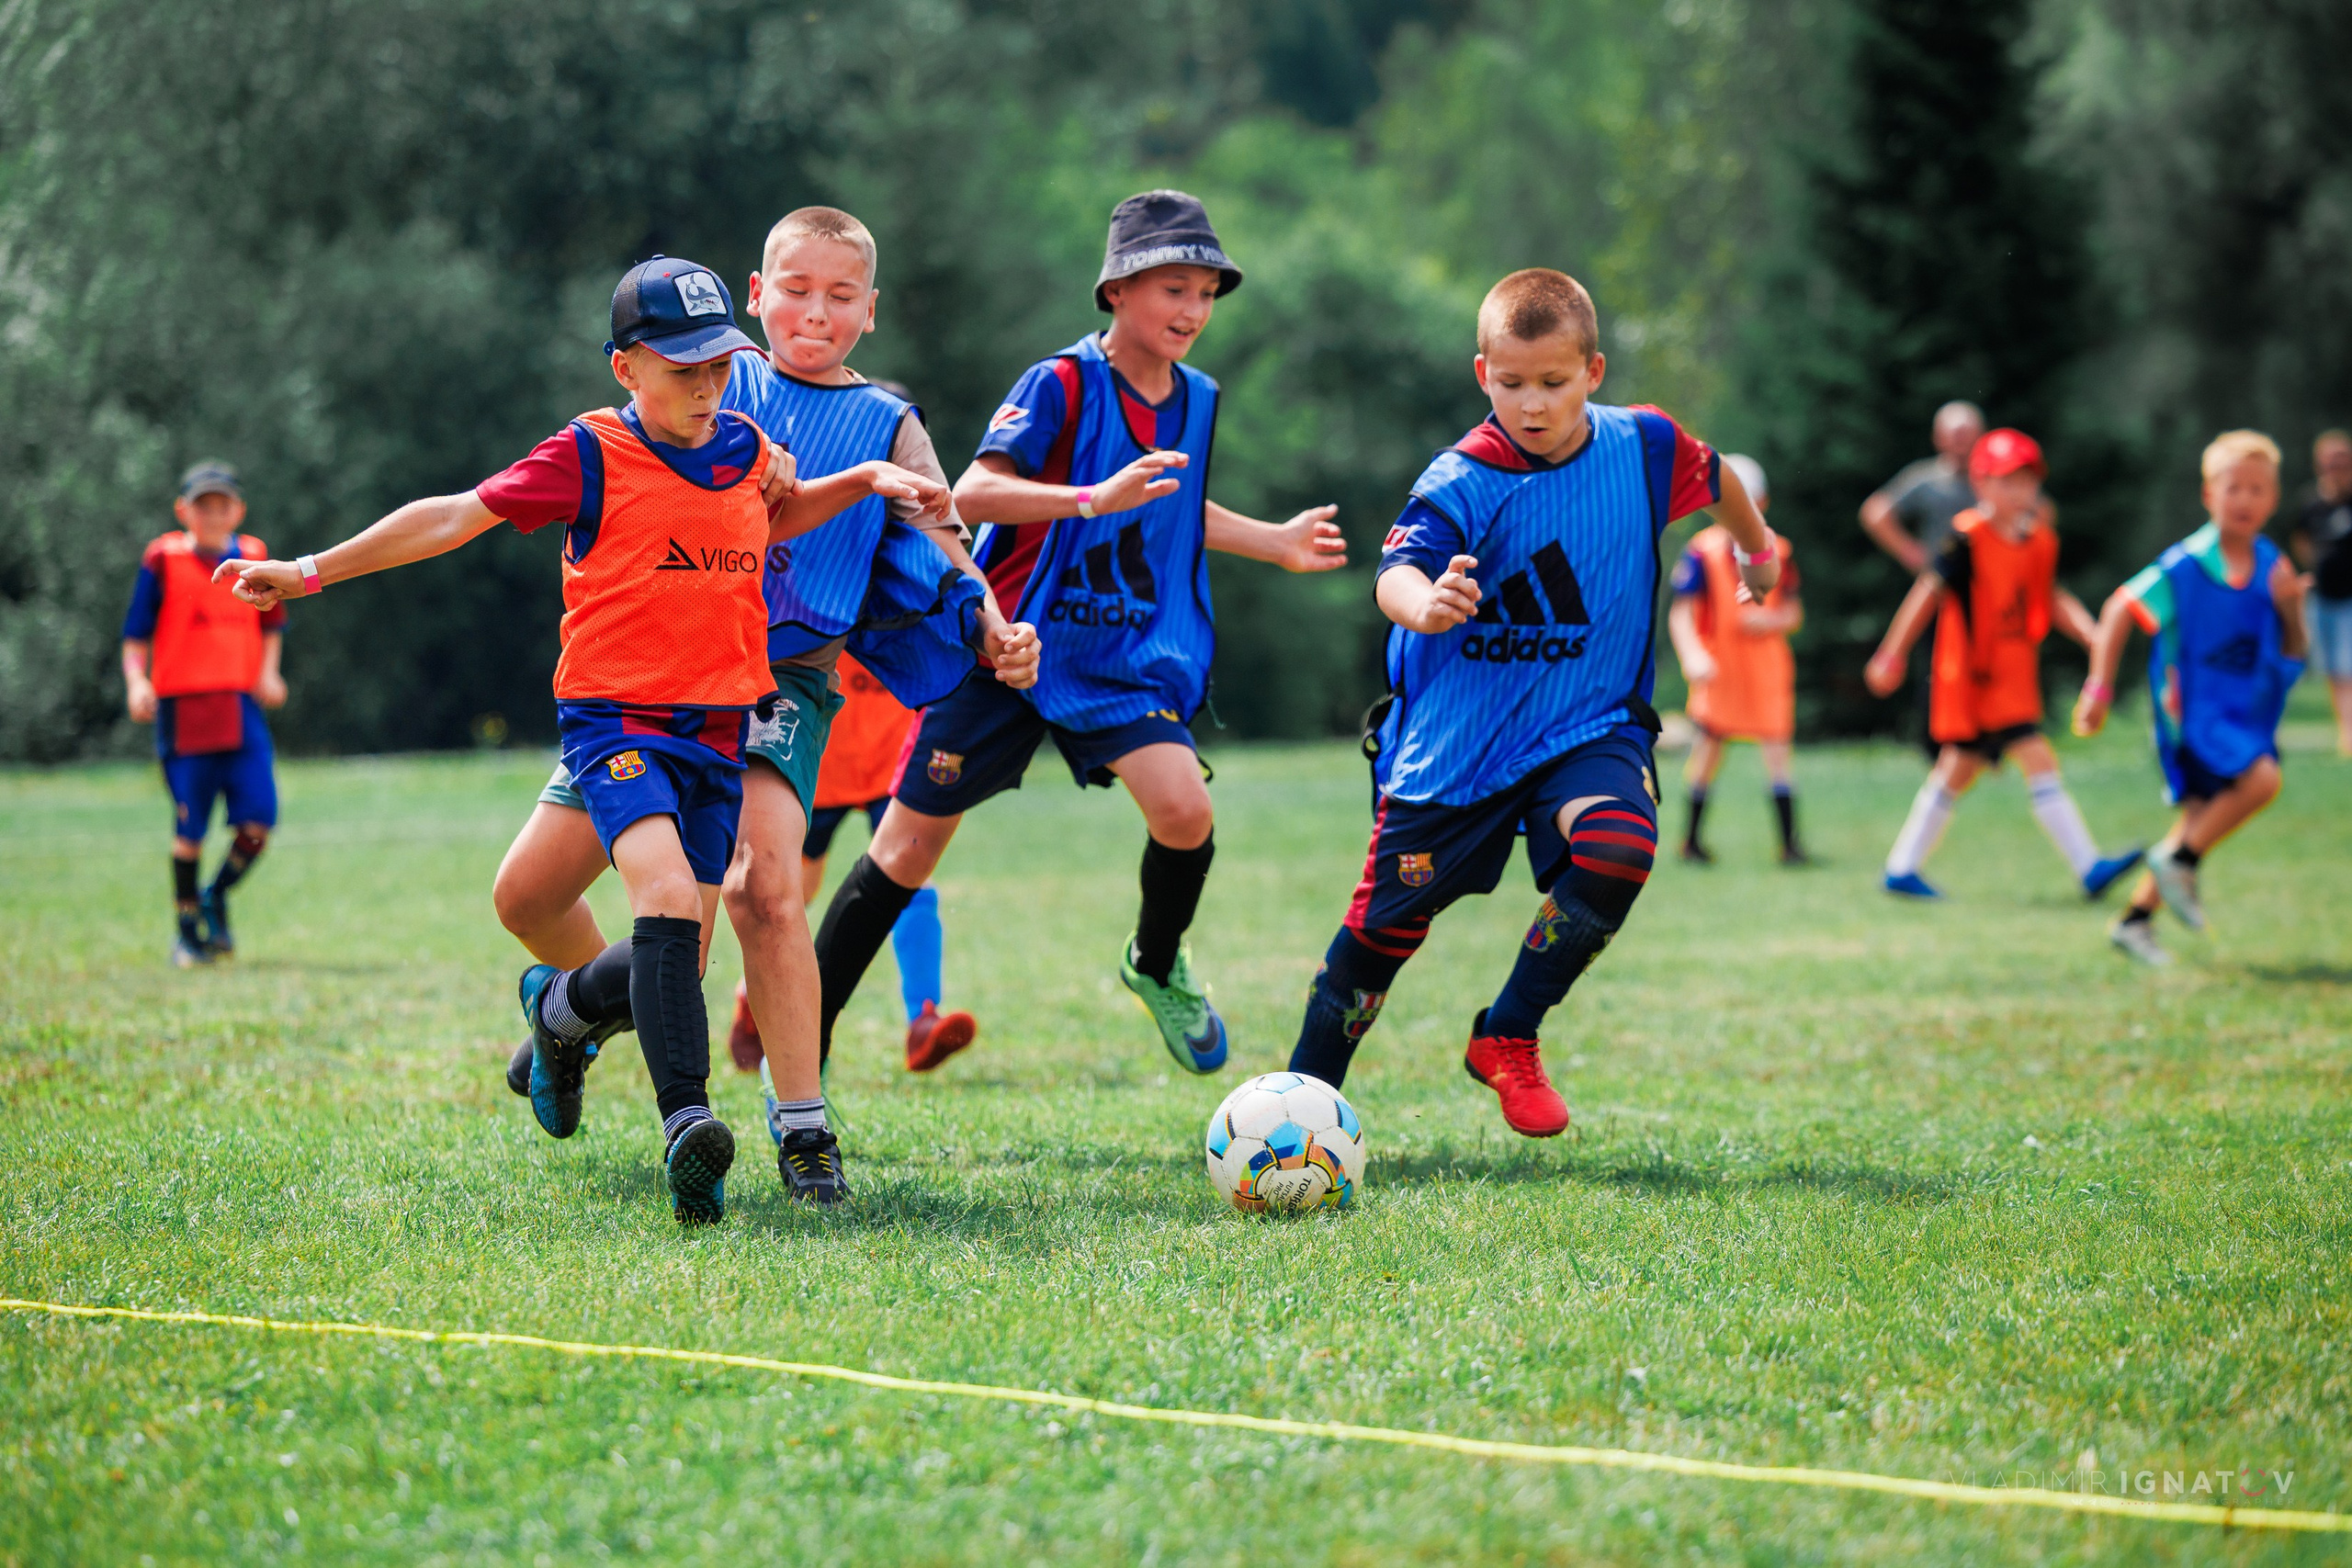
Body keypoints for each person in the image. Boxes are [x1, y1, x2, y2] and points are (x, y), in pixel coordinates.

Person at [219, 255, 943, 1225]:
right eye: (681, 368)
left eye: (718, 366)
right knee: (664, 902)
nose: (706, 386)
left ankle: (561, 1015)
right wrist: (309, 571)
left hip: (716, 728)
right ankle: (688, 1126)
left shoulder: (745, 448)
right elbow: (454, 517)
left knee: (667, 955)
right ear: (624, 368)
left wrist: (857, 480)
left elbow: (775, 520)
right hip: (618, 722)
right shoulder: (589, 453)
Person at [485, 217, 1037, 1208]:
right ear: (755, 294)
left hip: (784, 680)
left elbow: (944, 534)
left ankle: (804, 1129)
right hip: (653, 684)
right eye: (796, 289)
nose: (815, 313)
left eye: (840, 295)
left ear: (871, 311)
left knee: (766, 889)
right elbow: (621, 458)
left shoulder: (887, 422)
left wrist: (995, 626)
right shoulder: (712, 376)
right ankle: (568, 1012)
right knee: (530, 899)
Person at [808, 189, 1346, 1076]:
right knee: (903, 851)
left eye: (1206, 293)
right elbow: (973, 492)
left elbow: (1169, 506)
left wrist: (1275, 542)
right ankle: (806, 1038)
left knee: (1185, 809)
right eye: (1173, 289)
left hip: (1113, 658)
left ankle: (1155, 961)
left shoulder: (1198, 398)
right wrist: (1091, 497)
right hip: (1009, 647)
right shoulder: (1060, 383)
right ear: (1117, 291)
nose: (1193, 309)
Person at [1285, 267, 1772, 1137]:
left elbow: (1718, 475)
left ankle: (1507, 1032)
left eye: (1554, 380)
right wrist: (1423, 604)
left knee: (1620, 847)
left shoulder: (1645, 447)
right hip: (1456, 748)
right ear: (1484, 374)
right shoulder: (1464, 476)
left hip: (1588, 725)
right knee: (1378, 944)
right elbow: (1396, 571)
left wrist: (1757, 550)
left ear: (1594, 371)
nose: (1533, 403)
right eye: (1511, 383)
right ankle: (1297, 1112)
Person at [1864, 428, 2144, 902]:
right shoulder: (1966, 539)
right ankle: (2089, 867)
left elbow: (2048, 596)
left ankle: (1901, 869)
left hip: (2011, 677)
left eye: (2027, 482)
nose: (2019, 492)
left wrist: (2089, 632)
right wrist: (1891, 653)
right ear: (1981, 485)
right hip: (1972, 679)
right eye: (2007, 482)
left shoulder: (2038, 541)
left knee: (1958, 769)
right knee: (2030, 757)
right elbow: (1927, 592)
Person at [2075, 431, 2308, 965]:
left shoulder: (2273, 567)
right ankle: (2180, 862)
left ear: (2273, 499)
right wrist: (2099, 687)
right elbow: (2118, 609)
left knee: (2199, 817)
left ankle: (2134, 921)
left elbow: (2294, 648)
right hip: (2193, 718)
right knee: (2262, 780)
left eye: (2257, 489)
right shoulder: (2185, 566)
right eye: (2233, 488)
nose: (2244, 499)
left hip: (2243, 716)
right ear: (2208, 494)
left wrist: (2292, 608)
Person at [722, 651, 976, 1077]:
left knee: (910, 870)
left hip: (892, 753)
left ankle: (923, 1018)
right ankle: (753, 997)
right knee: (789, 889)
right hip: (822, 755)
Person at [120, 462, 289, 965]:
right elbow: (135, 636)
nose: (213, 515)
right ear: (183, 511)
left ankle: (214, 897)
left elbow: (273, 623)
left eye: (222, 505)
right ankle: (187, 933)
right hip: (184, 710)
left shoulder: (254, 556)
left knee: (258, 821)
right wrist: (137, 682)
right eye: (203, 506)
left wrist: (269, 673)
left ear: (238, 511)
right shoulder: (163, 559)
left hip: (240, 707)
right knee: (190, 828)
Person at [1667, 453, 1806, 864]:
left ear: (1762, 503)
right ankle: (1691, 841)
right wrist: (1692, 655)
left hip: (1766, 668)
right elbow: (1681, 613)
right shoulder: (1701, 552)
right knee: (1708, 751)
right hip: (1720, 667)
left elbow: (1794, 612)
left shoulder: (1779, 550)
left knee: (1777, 753)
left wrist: (1771, 620)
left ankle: (1789, 845)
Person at [1859, 400, 1985, 573]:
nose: (1961, 440)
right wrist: (1908, 551)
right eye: (1956, 435)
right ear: (1938, 438)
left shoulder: (1999, 477)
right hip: (1941, 579)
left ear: (1981, 435)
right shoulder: (1925, 478)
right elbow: (1875, 512)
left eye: (1965, 434)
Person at [2286, 428, 2352, 755]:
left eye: (2341, 460)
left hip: (2350, 598)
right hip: (2322, 597)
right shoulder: (2311, 503)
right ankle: (2346, 731)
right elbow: (2300, 539)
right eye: (2329, 461)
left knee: (2348, 666)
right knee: (2334, 670)